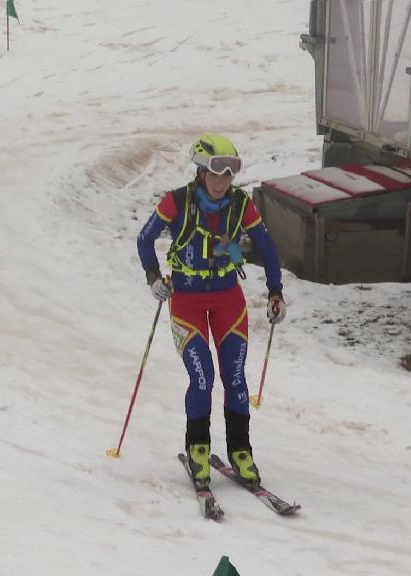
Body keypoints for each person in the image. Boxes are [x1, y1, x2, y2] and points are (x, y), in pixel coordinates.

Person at [136, 133, 286, 489]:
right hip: (186, 300)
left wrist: (275, 291)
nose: (222, 182)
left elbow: (266, 246)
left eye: (230, 174)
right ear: (201, 172)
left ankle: (240, 451)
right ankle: (198, 448)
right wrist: (154, 277)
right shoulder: (177, 202)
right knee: (201, 379)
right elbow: (145, 239)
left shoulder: (240, 204)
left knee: (235, 379)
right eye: (216, 173)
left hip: (228, 302)